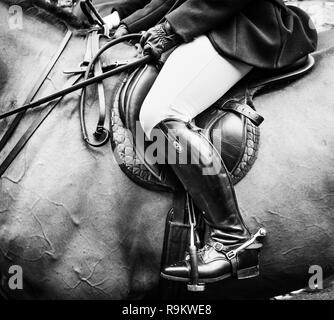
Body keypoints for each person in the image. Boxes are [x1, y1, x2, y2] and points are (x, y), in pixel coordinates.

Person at [107, 0, 318, 283]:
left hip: (244, 24)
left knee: (159, 114)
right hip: (204, 21)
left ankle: (231, 237)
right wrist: (126, 22)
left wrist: (171, 27)